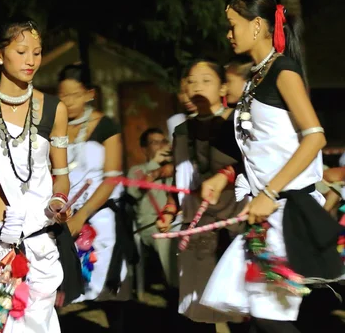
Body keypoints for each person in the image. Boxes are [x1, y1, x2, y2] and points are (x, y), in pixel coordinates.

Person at [200, 0, 343, 333]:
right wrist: (226, 175)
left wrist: (271, 192)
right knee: (259, 318)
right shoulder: (253, 78)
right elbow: (263, 146)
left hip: (287, 211)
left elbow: (315, 137)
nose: (228, 33)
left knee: (269, 318)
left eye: (233, 25)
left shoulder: (284, 73)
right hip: (264, 214)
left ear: (258, 25)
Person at [0, 18, 80, 333]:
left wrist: (59, 202)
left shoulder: (53, 110)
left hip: (39, 245)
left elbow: (60, 176)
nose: (31, 60)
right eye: (21, 51)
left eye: (37, 52)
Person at [157, 58, 248, 333]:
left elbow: (253, 167)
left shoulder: (238, 123)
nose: (197, 87)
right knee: (197, 310)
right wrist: (170, 210)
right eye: (192, 81)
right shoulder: (182, 130)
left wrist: (227, 176)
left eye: (206, 80)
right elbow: (180, 179)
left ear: (222, 86)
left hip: (233, 224)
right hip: (194, 228)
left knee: (237, 309)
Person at [58, 63, 135, 333]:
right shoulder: (54, 128)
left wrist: (83, 214)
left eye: (74, 95)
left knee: (107, 286)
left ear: (89, 94)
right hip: (64, 214)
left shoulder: (106, 125)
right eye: (62, 95)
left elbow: (112, 177)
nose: (67, 102)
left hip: (101, 214)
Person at [127, 127, 178, 289]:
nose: (161, 146)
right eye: (155, 143)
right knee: (166, 240)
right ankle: (175, 289)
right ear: (144, 148)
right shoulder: (137, 170)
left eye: (163, 141)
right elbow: (133, 192)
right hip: (151, 224)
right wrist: (154, 165)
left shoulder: (174, 168)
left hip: (176, 219)